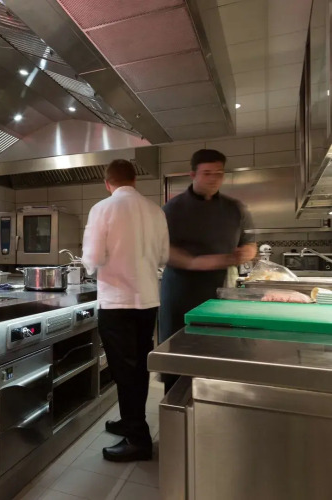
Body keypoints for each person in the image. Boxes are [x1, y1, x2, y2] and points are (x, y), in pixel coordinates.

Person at [82, 159, 169, 463]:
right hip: (147, 301)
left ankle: (138, 439)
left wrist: (93, 265)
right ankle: (131, 421)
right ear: (134, 180)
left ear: (108, 183)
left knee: (124, 371)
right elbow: (163, 257)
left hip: (118, 302)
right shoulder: (156, 210)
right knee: (137, 368)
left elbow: (92, 259)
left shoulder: (102, 208)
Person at [159, 149, 256, 393]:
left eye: (219, 173)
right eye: (207, 173)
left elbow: (250, 244)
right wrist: (193, 262)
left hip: (220, 296)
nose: (214, 178)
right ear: (193, 174)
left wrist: (246, 253)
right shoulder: (173, 209)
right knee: (179, 360)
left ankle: (213, 405)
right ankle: (175, 405)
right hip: (181, 294)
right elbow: (161, 249)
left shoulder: (235, 209)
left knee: (217, 358)